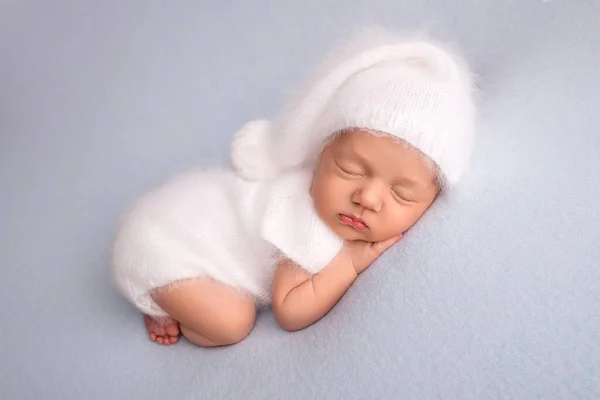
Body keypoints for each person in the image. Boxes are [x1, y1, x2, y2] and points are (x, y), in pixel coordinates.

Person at [110, 28, 476, 347]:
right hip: (162, 240)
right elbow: (290, 310)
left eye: (402, 194)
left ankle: (173, 296)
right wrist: (348, 262)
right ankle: (159, 299)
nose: (366, 197)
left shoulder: (345, 205)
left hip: (175, 220)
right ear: (319, 156)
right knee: (231, 324)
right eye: (350, 170)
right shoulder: (306, 215)